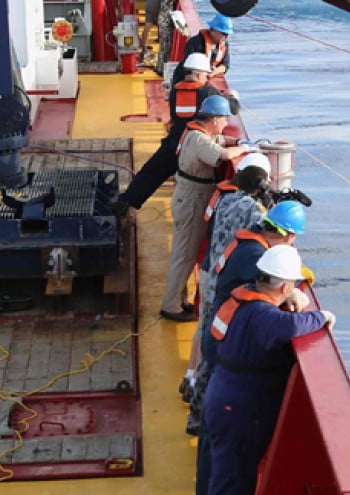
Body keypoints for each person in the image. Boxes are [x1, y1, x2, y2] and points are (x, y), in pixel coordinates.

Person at [201, 244, 335, 495]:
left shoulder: (240, 297)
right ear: (286, 286)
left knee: (224, 477)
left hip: (222, 393)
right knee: (233, 484)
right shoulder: (264, 317)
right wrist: (321, 316)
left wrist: (288, 304)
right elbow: (290, 328)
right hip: (239, 407)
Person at [192, 199, 311, 495]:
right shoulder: (255, 254)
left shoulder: (250, 241)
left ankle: (204, 493)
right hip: (225, 345)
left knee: (210, 425)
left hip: (219, 331)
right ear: (286, 235)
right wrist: (304, 299)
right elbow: (282, 320)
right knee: (223, 448)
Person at [179, 153, 272, 418]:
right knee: (217, 337)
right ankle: (202, 397)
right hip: (228, 280)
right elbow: (264, 235)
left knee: (203, 326)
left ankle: (190, 376)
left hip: (209, 271)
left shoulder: (225, 197)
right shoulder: (253, 210)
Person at [113, 53, 238, 215]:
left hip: (174, 142)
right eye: (206, 75)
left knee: (151, 172)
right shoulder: (208, 92)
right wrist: (232, 98)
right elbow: (228, 109)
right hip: (193, 144)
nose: (207, 78)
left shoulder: (175, 91)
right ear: (200, 74)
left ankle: (127, 203)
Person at [160, 95, 248, 322]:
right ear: (215, 119)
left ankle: (179, 299)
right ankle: (170, 305)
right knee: (185, 254)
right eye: (223, 118)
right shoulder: (199, 140)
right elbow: (223, 155)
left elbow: (220, 142)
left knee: (185, 252)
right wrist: (246, 149)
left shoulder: (197, 134)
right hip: (192, 199)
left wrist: (235, 142)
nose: (226, 123)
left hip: (191, 195)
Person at [171, 14, 232, 86]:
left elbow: (225, 65)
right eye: (224, 33)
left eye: (227, 34)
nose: (226, 37)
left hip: (205, 79)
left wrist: (212, 73)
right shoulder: (195, 43)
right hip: (186, 80)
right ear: (213, 30)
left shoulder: (224, 44)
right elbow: (188, 69)